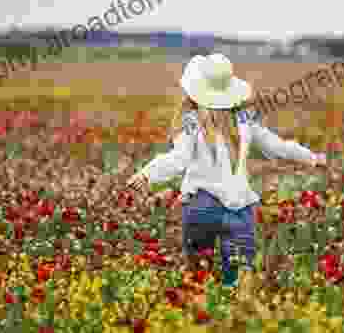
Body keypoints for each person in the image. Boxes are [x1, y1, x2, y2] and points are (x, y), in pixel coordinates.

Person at [127, 53, 327, 288]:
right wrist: (311, 158)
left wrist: (147, 174)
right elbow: (277, 147)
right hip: (239, 208)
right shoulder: (244, 120)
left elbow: (177, 160)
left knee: (197, 279)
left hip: (201, 207)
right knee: (236, 281)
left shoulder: (190, 123)